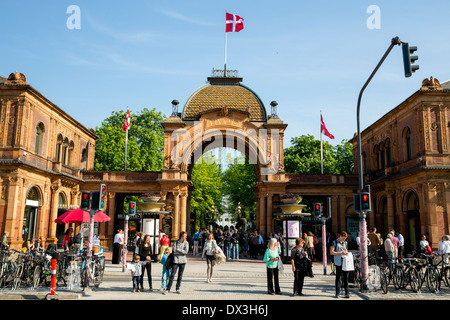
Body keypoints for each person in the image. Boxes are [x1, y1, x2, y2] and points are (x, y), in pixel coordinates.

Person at [330, 231, 350, 298]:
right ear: (340, 236)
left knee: (346, 277)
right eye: (343, 238)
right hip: (338, 261)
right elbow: (331, 252)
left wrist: (346, 253)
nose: (344, 240)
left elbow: (346, 250)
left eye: (345, 238)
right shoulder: (334, 242)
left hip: (345, 261)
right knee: (338, 277)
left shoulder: (345, 243)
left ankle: (347, 293)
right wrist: (340, 253)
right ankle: (337, 293)